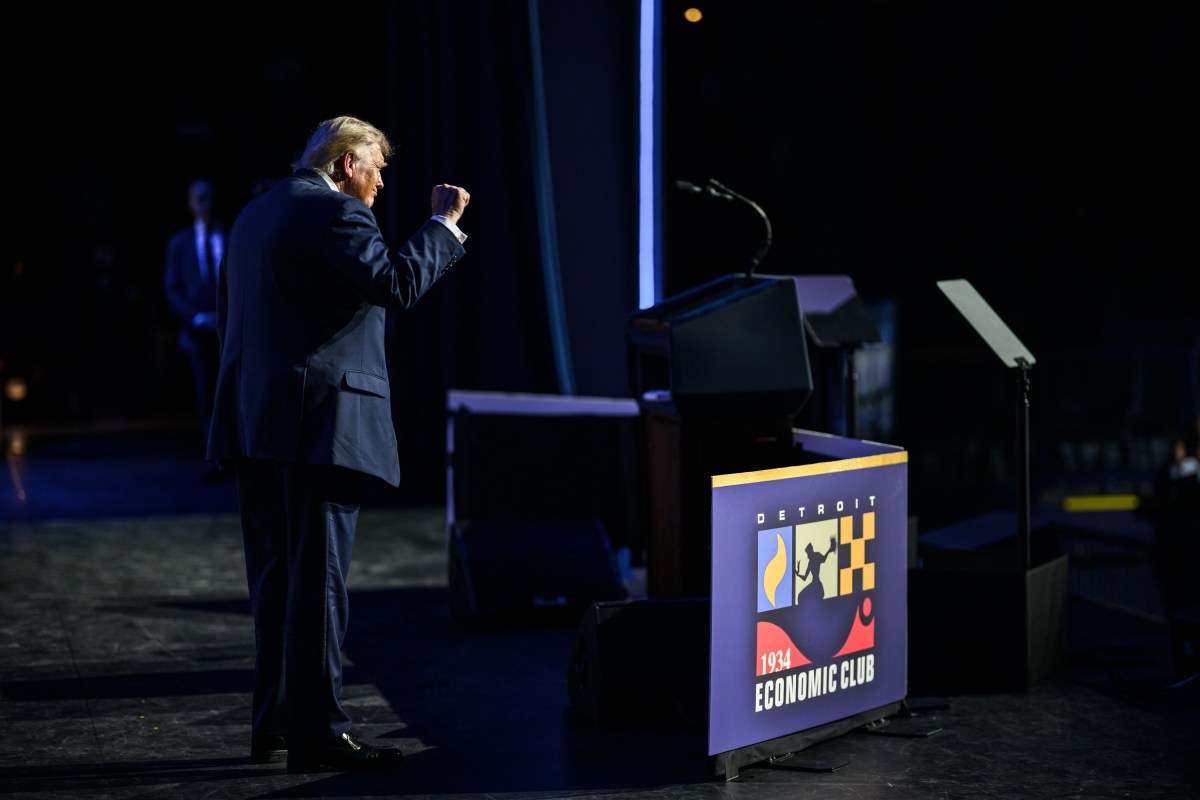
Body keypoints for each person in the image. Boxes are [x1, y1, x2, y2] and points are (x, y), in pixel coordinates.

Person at [206, 116, 470, 773]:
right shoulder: (335, 214)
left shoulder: (254, 214)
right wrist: (444, 226)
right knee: (318, 585)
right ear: (348, 161)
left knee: (275, 583)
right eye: (377, 168)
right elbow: (396, 285)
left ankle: (274, 725)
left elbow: (235, 322)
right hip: (318, 424)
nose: (381, 184)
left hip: (254, 422)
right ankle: (318, 732)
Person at [164, 178, 224, 446]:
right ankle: (215, 456)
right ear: (190, 204)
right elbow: (173, 287)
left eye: (210, 198)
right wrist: (197, 318)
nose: (206, 205)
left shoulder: (231, 235)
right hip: (197, 332)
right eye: (200, 199)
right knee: (206, 396)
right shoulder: (180, 243)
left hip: (230, 328)